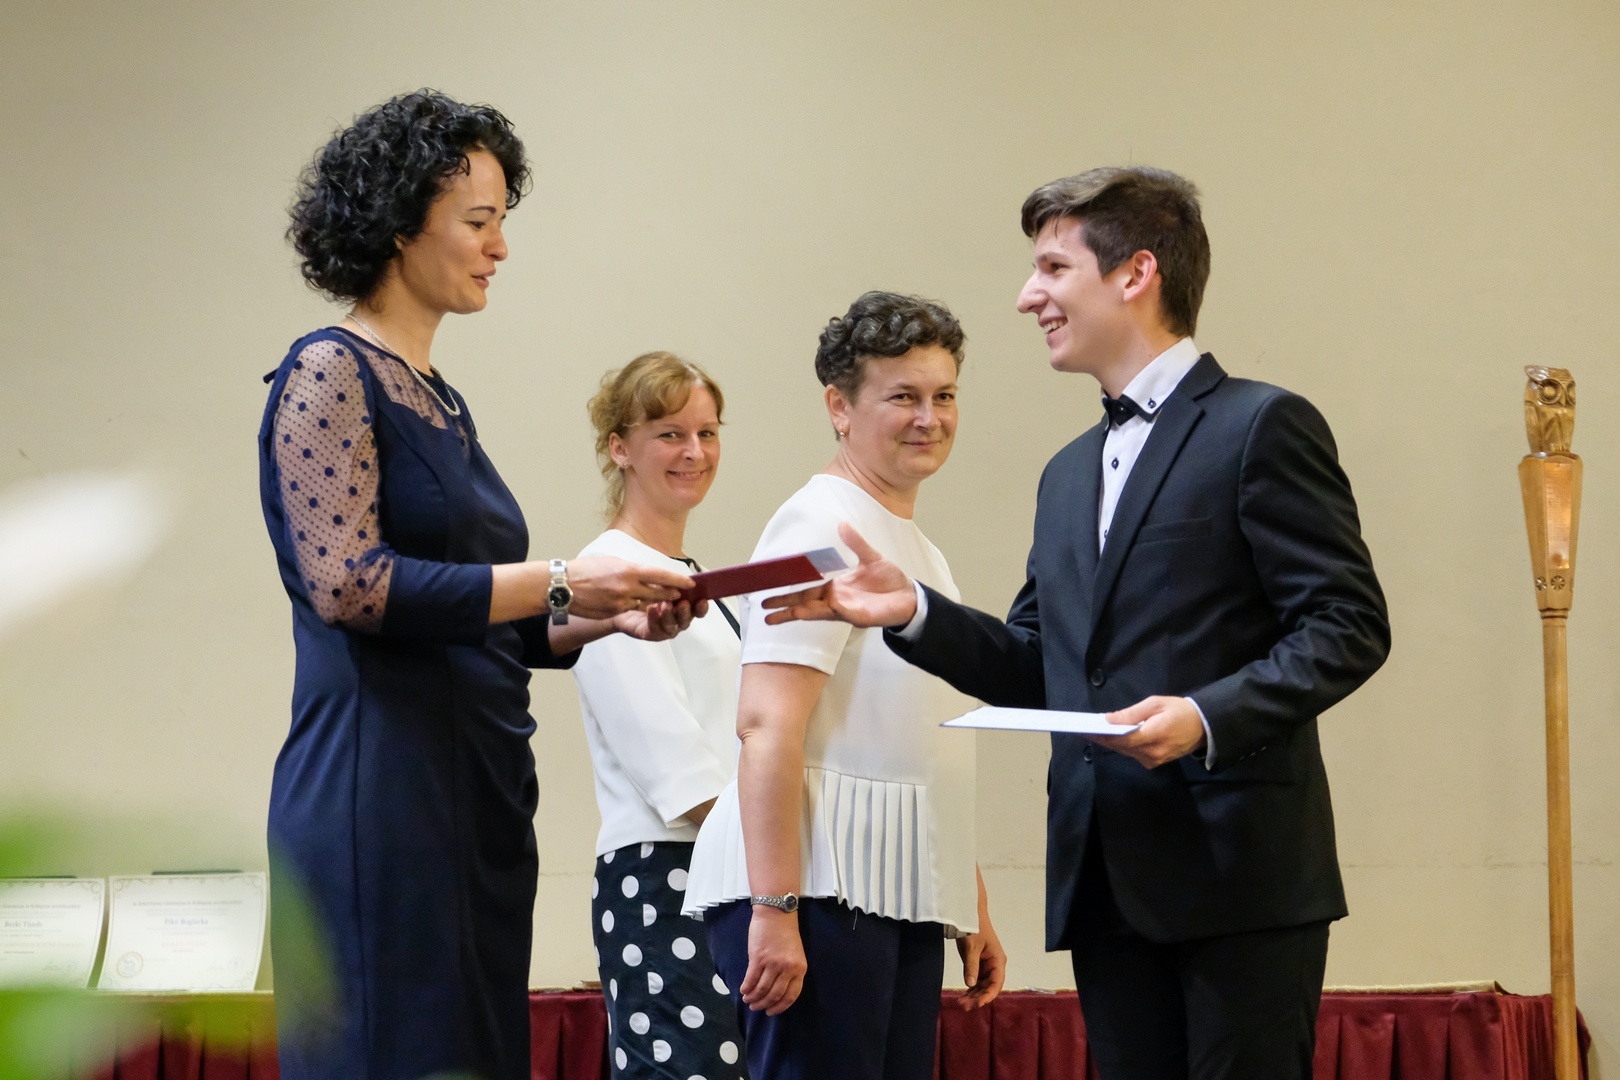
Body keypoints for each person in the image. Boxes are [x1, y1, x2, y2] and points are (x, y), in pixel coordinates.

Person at [763, 169, 1391, 1080]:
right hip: (1104, 882)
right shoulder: (1067, 473)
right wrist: (915, 612)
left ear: (1136, 274)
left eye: (1053, 268)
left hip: (1237, 876)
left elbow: (1348, 624)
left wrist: (1206, 716)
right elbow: (1040, 667)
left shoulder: (1261, 425)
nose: (1029, 297)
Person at [259, 90, 700, 1080]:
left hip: (479, 792)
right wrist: (564, 578)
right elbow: (349, 585)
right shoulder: (329, 370)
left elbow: (485, 614)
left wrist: (608, 615)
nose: (500, 247)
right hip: (382, 793)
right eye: (479, 220)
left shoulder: (441, 400)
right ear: (399, 224)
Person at [682, 292, 1007, 1080]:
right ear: (839, 406)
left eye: (944, 395)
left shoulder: (922, 552)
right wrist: (774, 907)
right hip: (814, 888)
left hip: (893, 892)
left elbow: (918, 745)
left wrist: (969, 905)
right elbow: (766, 725)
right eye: (903, 397)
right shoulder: (819, 524)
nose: (929, 418)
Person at [570, 352, 752, 1079]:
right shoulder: (607, 574)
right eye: (670, 434)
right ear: (620, 447)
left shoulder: (695, 579)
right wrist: (783, 866)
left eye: (708, 433)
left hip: (726, 868)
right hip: (666, 873)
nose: (695, 452)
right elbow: (676, 771)